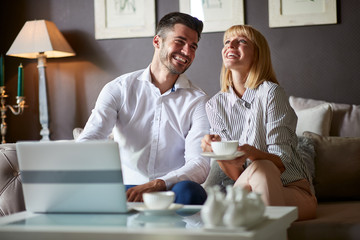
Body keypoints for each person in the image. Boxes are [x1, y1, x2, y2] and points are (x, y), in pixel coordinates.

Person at [77, 12, 210, 204]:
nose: (187, 52)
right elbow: (90, 139)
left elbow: (199, 164)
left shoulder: (198, 100)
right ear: (157, 41)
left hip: (171, 189)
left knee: (190, 191)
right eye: (180, 41)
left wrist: (158, 183)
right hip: (125, 187)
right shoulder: (119, 89)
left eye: (193, 46)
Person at [201, 25, 317, 220]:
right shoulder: (215, 104)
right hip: (250, 186)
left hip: (293, 192)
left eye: (242, 41)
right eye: (227, 41)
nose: (231, 45)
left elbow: (280, 162)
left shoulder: (272, 93)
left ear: (257, 54)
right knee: (257, 172)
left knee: (263, 166)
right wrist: (218, 153)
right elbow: (237, 175)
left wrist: (250, 152)